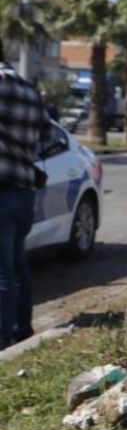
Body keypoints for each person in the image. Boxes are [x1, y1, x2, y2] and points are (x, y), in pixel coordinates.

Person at [0, 62, 50, 350]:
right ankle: (21, 328)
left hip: (2, 191)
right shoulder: (29, 89)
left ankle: (3, 336)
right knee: (17, 264)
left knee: (2, 270)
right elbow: (45, 136)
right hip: (23, 192)